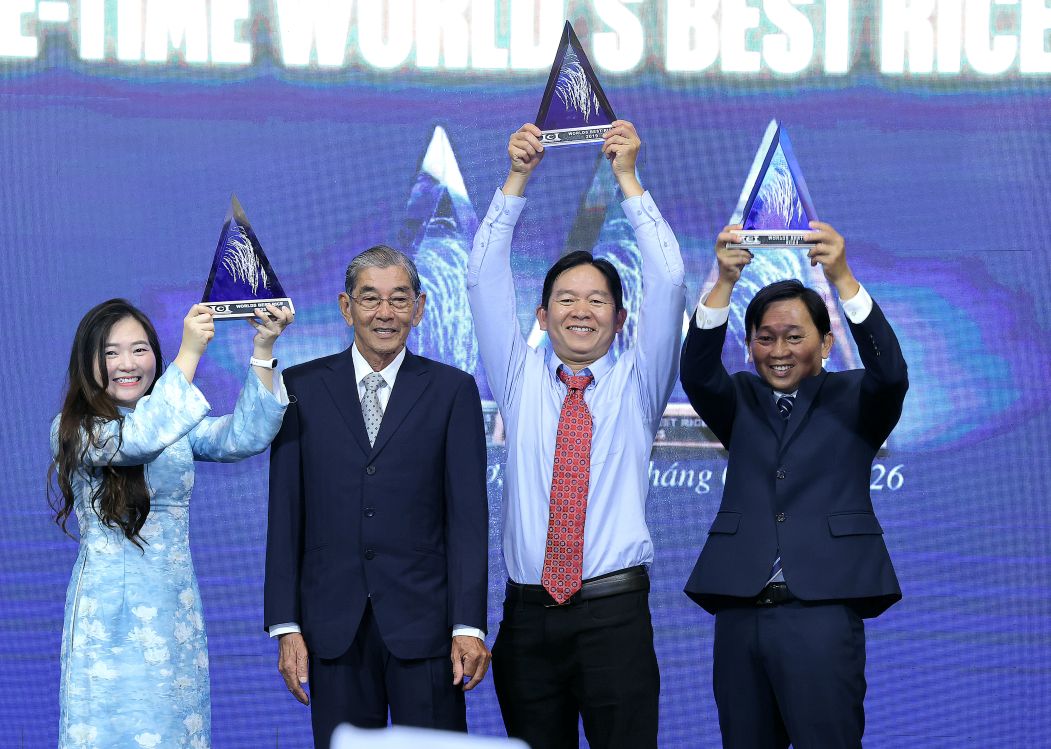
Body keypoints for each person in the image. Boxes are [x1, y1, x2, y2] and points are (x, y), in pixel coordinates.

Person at [467, 121, 687, 749]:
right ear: (542, 316)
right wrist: (516, 179)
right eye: (565, 299)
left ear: (620, 320)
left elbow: (669, 280)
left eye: (597, 301)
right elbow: (482, 277)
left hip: (614, 617)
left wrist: (627, 179)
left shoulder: (638, 386)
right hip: (527, 619)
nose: (581, 311)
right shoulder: (519, 378)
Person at [679, 223, 909, 748]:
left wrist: (841, 276)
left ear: (825, 342)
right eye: (765, 337)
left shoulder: (856, 397)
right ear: (750, 344)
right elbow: (695, 371)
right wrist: (723, 280)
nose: (778, 350)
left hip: (822, 611)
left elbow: (891, 373)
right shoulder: (738, 398)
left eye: (794, 336)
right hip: (739, 613)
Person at [264, 245, 489, 746]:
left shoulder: (453, 390)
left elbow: (468, 519)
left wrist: (468, 624)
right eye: (370, 299)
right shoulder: (299, 387)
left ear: (420, 306)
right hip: (331, 626)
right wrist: (286, 624)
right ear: (347, 307)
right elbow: (286, 514)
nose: (384, 313)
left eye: (399, 299)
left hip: (426, 625)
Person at [49, 299, 293, 748]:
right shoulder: (75, 429)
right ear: (88, 362)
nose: (128, 364)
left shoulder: (171, 419)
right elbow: (140, 439)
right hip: (110, 614)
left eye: (140, 350)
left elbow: (244, 436)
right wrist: (192, 351)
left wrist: (263, 347)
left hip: (174, 606)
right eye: (110, 352)